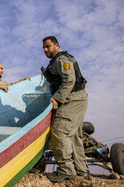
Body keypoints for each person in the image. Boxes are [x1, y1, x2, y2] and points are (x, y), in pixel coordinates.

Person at [42, 36, 89, 183]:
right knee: (74, 136)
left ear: (56, 45)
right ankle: (81, 170)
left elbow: (70, 80)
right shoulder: (58, 60)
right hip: (79, 98)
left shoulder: (61, 60)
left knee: (59, 132)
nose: (45, 50)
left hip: (72, 99)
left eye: (48, 46)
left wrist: (57, 98)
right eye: (43, 47)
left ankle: (66, 170)